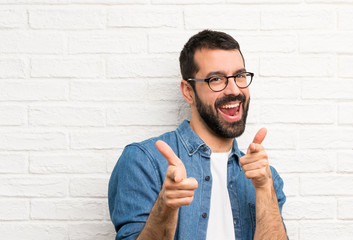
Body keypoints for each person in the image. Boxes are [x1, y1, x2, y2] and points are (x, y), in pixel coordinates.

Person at [108, 30, 287, 240]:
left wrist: (265, 189)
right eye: (216, 79)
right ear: (188, 91)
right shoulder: (144, 161)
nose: (234, 90)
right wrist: (165, 208)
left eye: (239, 76)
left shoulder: (265, 176)